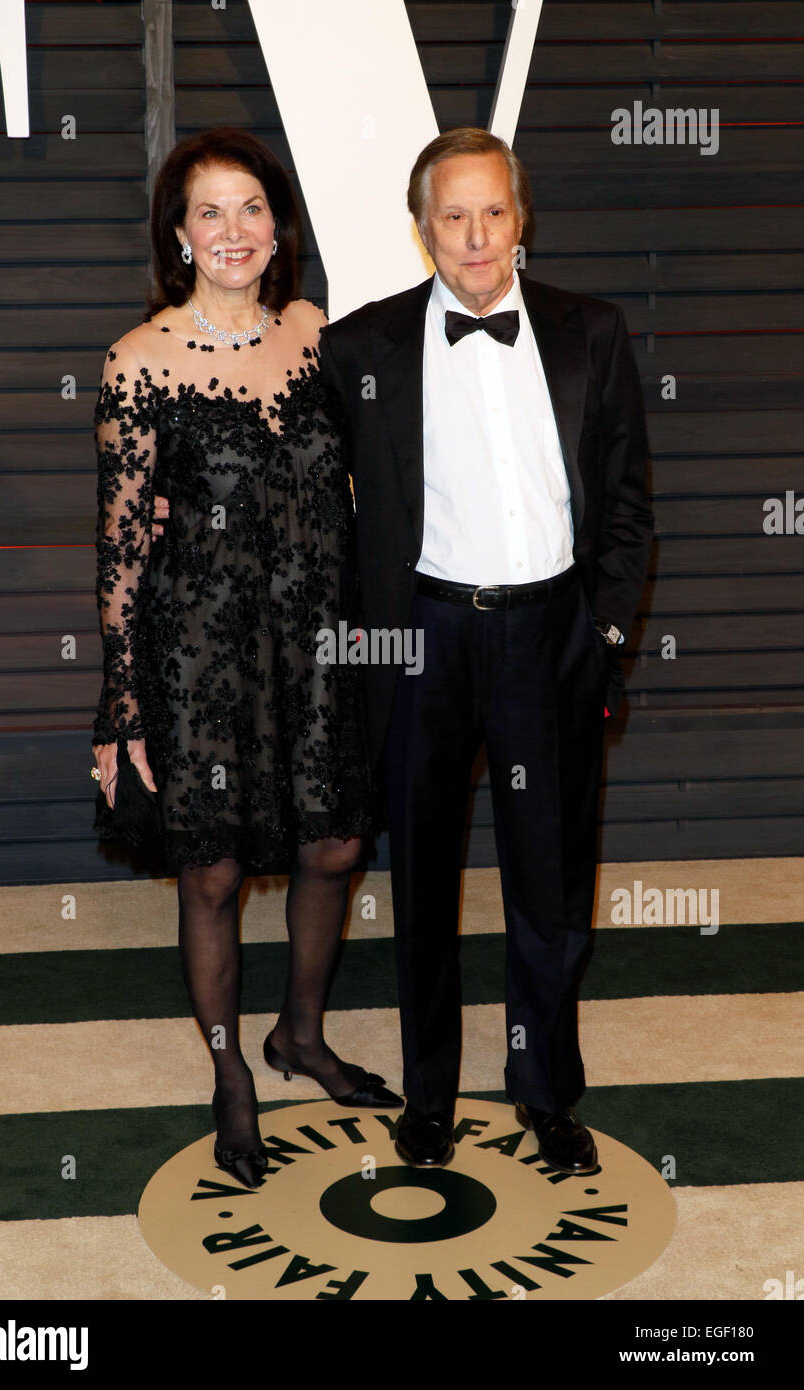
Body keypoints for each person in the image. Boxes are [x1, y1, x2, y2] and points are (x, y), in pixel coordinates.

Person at [316, 128, 654, 1172]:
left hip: (551, 631)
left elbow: (630, 507)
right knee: (420, 882)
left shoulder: (592, 331)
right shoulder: (358, 350)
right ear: (423, 232)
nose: (474, 237)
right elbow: (327, 522)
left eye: (492, 212)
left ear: (522, 219)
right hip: (424, 637)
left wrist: (602, 636)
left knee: (550, 887)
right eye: (451, 217)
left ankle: (548, 1091)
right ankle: (428, 1098)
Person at [90, 128, 402, 1192]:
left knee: (333, 846)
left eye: (251, 208)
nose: (233, 230)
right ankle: (231, 1076)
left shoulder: (319, 337)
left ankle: (299, 1035)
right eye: (208, 212)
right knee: (213, 869)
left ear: (279, 228)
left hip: (318, 639)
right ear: (179, 235)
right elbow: (124, 545)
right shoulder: (138, 360)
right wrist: (120, 709)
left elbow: (371, 483)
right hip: (201, 652)